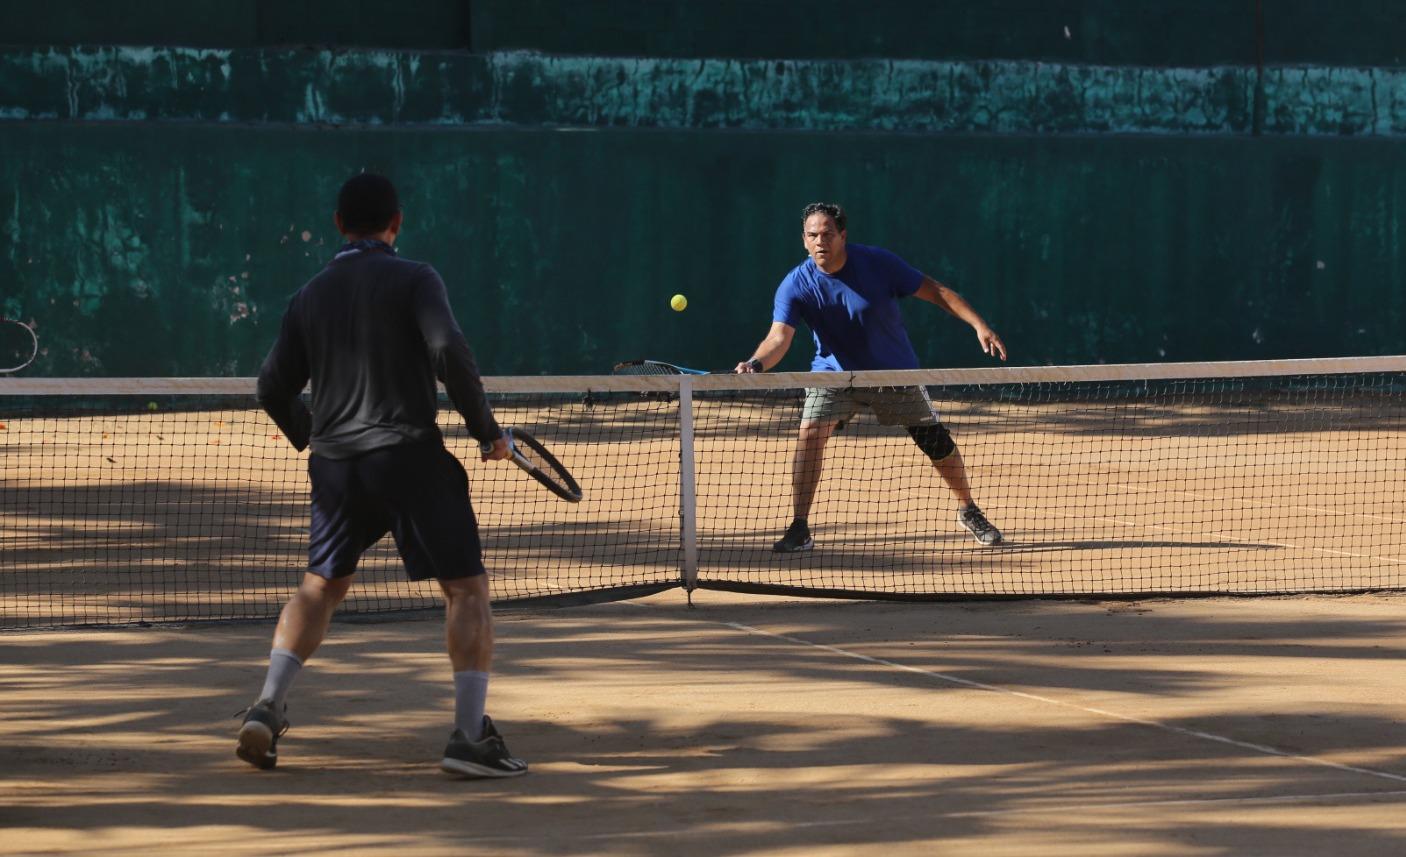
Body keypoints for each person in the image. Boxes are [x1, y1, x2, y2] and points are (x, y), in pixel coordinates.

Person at [240, 173, 527, 778]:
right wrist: (486, 432)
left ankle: (266, 706)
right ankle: (470, 738)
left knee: (320, 585)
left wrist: (313, 431)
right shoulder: (416, 277)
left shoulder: (309, 295)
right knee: (466, 590)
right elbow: (448, 348)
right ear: (396, 224)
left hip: (336, 467)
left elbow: (271, 387)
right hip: (408, 456)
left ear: (339, 225)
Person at [735, 202, 1008, 553]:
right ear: (804, 241)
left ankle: (969, 509)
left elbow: (936, 291)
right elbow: (779, 337)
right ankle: (800, 526)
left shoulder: (878, 263)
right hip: (835, 376)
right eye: (813, 235)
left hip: (893, 372)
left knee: (936, 443)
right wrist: (755, 364)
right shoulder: (796, 283)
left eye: (828, 234)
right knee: (810, 433)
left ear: (843, 236)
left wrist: (979, 325)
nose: (821, 242)